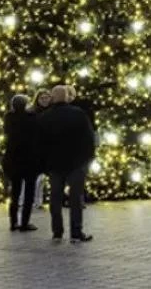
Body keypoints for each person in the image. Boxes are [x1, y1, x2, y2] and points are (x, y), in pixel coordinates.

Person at [37, 85, 95, 243]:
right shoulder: (78, 114)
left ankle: (57, 232)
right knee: (76, 198)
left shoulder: (45, 117)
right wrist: (86, 159)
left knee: (55, 198)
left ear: (53, 98)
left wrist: (44, 164)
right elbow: (89, 139)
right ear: (67, 96)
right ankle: (76, 233)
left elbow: (39, 144)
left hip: (54, 164)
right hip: (76, 163)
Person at [3, 94, 41, 232]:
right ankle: (25, 223)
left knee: (15, 193)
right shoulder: (32, 118)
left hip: (13, 159)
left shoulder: (9, 117)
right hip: (29, 160)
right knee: (29, 194)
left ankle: (13, 222)